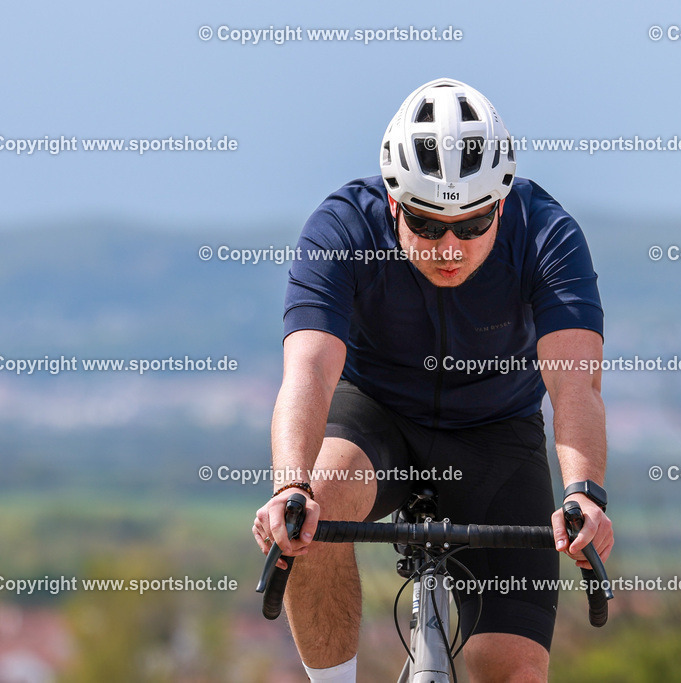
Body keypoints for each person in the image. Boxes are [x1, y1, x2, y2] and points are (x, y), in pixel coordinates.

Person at [252, 77, 613, 683]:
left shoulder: (548, 235)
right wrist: (291, 486)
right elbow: (308, 371)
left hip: (496, 435)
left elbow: (576, 385)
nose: (449, 246)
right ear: (394, 202)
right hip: (377, 419)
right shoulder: (343, 228)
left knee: (513, 672)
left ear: (500, 205)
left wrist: (585, 494)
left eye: (471, 227)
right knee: (314, 505)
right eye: (426, 224)